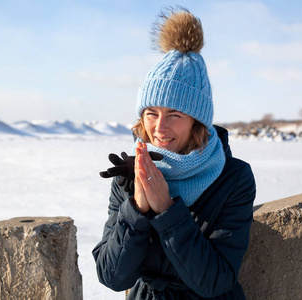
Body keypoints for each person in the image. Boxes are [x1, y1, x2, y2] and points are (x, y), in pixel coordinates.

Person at [93, 8, 256, 300]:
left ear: (197, 121)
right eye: (151, 113)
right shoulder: (129, 175)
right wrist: (137, 210)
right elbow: (112, 277)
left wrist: (168, 210)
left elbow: (216, 281)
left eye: (174, 114)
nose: (159, 127)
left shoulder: (232, 178)